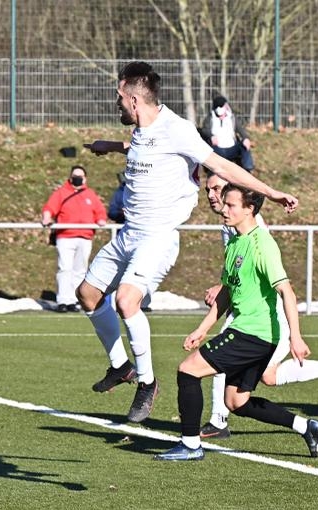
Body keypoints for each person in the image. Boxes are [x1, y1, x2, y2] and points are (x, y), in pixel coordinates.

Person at [81, 61, 298, 424]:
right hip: (129, 233)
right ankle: (121, 366)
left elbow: (225, 168)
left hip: (158, 236)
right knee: (87, 294)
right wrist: (111, 146)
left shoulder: (177, 129)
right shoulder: (140, 131)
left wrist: (270, 193)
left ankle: (147, 383)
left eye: (119, 97)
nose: (116, 104)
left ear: (134, 99)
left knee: (126, 299)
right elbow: (143, 147)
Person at [154, 184, 318, 461]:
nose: (224, 209)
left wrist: (296, 337)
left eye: (231, 204)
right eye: (224, 203)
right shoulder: (234, 242)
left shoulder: (262, 245)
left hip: (253, 334)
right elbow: (226, 293)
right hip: (254, 335)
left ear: (250, 209)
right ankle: (307, 426)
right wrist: (202, 328)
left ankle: (190, 445)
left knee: (188, 371)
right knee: (235, 402)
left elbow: (287, 292)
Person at [198, 170, 318, 438]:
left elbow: (274, 281)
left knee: (221, 358)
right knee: (269, 376)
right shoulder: (229, 223)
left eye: (217, 189)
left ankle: (218, 420)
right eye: (208, 190)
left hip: (265, 314)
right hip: (247, 311)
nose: (211, 196)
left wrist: (224, 288)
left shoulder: (252, 228)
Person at [41, 165, 107, 312]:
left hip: (85, 237)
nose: (77, 179)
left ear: (85, 178)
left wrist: (101, 219)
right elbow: (49, 208)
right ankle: (64, 300)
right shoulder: (61, 193)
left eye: (80, 176)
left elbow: (100, 211)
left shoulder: (90, 194)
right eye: (75, 176)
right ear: (70, 178)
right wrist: (46, 217)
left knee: (80, 270)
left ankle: (77, 300)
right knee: (65, 268)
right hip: (65, 236)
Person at [202, 95, 254, 172]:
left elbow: (241, 130)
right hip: (217, 149)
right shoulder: (210, 119)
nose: (220, 109)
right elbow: (205, 130)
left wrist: (245, 138)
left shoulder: (232, 118)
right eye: (218, 107)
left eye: (222, 106)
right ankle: (211, 170)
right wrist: (211, 136)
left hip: (232, 147)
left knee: (244, 146)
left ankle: (248, 168)